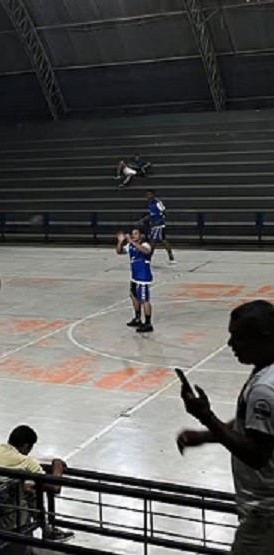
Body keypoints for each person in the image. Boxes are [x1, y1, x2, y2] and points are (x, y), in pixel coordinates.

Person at [177, 300, 274, 554]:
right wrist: (207, 436)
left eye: (237, 337)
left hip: (264, 515)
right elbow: (252, 426)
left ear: (263, 338)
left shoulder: (264, 388)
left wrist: (207, 417)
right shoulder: (267, 372)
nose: (230, 344)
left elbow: (256, 455)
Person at [0, 425, 73, 541]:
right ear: (26, 446)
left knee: (28, 489)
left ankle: (46, 530)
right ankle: (46, 531)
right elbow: (55, 486)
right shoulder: (25, 461)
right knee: (34, 492)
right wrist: (57, 465)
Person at [116, 229, 154, 333]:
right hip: (135, 276)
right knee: (134, 296)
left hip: (143, 277)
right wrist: (120, 241)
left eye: (136, 233)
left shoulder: (145, 244)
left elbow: (146, 251)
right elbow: (119, 251)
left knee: (144, 299)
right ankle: (137, 318)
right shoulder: (131, 246)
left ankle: (148, 323)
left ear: (141, 236)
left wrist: (132, 241)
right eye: (132, 234)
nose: (133, 235)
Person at [141, 190, 176, 264]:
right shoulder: (150, 204)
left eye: (149, 194)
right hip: (154, 225)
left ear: (153, 195)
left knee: (153, 241)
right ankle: (171, 256)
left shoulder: (158, 202)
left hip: (158, 225)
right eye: (147, 195)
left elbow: (164, 212)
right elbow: (152, 214)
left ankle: (149, 258)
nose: (148, 196)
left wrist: (160, 220)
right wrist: (144, 219)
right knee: (163, 240)